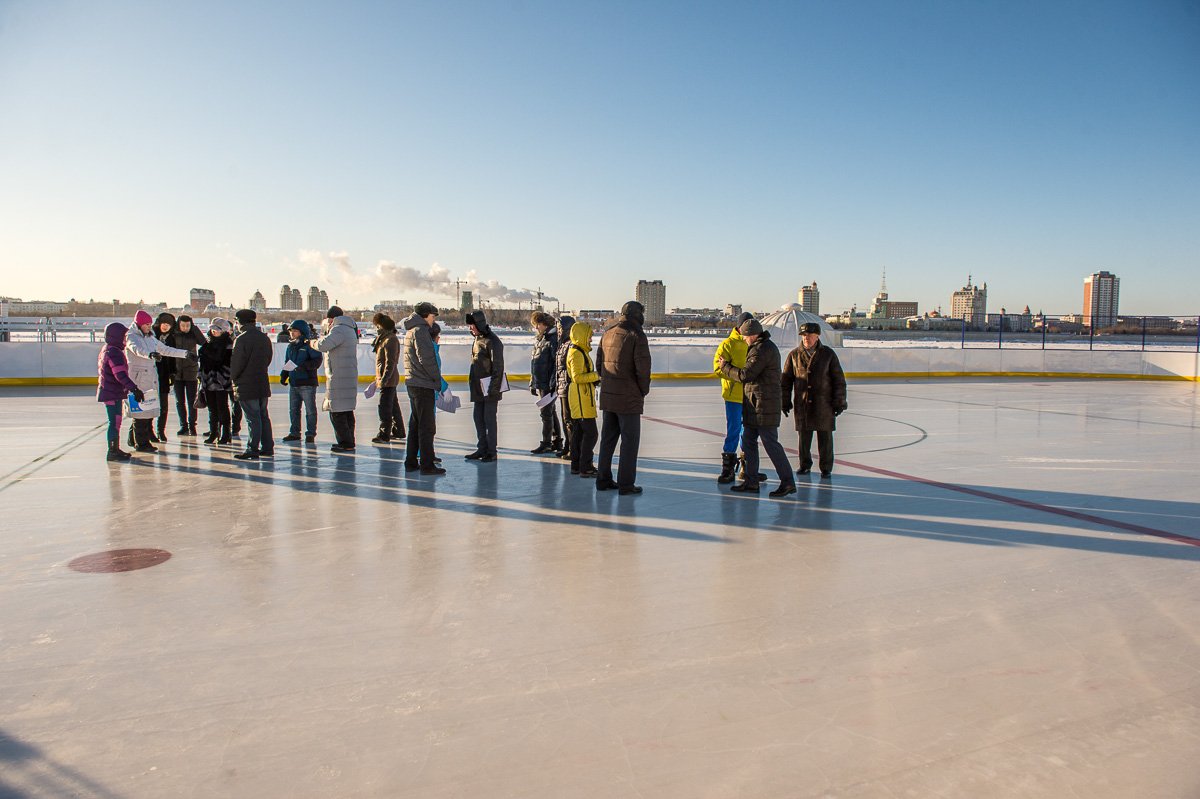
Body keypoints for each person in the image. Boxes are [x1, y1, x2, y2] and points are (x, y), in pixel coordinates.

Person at [718, 318, 796, 497]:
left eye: (745, 337)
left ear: (753, 335)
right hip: (755, 404)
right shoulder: (760, 347)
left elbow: (746, 374)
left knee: (771, 444)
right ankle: (751, 481)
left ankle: (788, 482)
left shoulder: (762, 349)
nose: (744, 340)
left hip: (764, 406)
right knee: (748, 441)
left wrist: (726, 367)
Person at [595, 300, 652, 495]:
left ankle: (603, 479)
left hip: (609, 396)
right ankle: (626, 484)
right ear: (637, 315)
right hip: (628, 398)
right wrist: (642, 390)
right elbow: (643, 369)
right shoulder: (636, 335)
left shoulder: (608, 333)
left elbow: (599, 365)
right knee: (629, 442)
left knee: (607, 440)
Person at [782, 321, 848, 478]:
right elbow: (785, 382)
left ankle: (826, 467)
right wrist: (784, 401)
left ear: (817, 337)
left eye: (809, 335)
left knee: (825, 438)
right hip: (803, 404)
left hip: (824, 405)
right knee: (804, 438)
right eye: (804, 335)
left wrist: (839, 402)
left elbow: (839, 380)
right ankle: (804, 465)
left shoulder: (828, 355)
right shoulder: (794, 355)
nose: (806, 338)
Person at [126, 310, 192, 452]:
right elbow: (136, 349)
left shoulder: (150, 337)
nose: (149, 327)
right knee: (140, 413)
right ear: (139, 324)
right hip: (137, 378)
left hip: (150, 378)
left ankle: (134, 439)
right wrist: (150, 354)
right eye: (146, 324)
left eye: (150, 324)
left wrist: (185, 354)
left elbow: (165, 349)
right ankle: (141, 443)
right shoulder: (132, 336)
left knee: (147, 410)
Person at [402, 302, 445, 475]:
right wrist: (437, 380)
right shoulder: (420, 331)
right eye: (433, 317)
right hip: (423, 384)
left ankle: (411, 461)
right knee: (427, 427)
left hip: (414, 383)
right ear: (426, 315)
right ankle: (427, 464)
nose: (433, 321)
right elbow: (426, 359)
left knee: (416, 424)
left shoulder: (411, 330)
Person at [229, 308, 275, 460]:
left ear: (239, 322)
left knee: (252, 418)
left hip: (246, 384)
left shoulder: (241, 339)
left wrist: (233, 379)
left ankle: (252, 448)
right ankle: (267, 447)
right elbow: (268, 358)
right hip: (261, 382)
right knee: (263, 416)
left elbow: (237, 364)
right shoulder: (264, 338)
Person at [713, 312, 753, 483]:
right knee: (733, 431)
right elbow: (718, 368)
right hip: (733, 397)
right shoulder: (728, 344)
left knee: (748, 433)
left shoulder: (754, 343)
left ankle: (746, 466)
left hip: (750, 396)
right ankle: (728, 468)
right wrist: (738, 376)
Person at [314, 306, 359, 453]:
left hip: (339, 377)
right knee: (346, 411)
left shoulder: (338, 329)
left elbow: (323, 345)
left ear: (331, 319)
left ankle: (345, 442)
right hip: (347, 375)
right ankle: (349, 441)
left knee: (337, 411)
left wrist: (311, 342)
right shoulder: (350, 329)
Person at [96, 321, 142, 462]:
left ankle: (115, 449)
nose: (125, 339)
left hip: (111, 391)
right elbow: (120, 375)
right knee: (114, 421)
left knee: (116, 421)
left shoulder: (108, 349)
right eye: (123, 336)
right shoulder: (114, 352)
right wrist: (134, 388)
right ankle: (112, 450)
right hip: (111, 393)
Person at [465, 309, 505, 462]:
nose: (470, 329)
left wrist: (493, 389)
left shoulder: (493, 341)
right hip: (477, 387)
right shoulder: (477, 339)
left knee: (489, 420)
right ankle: (482, 448)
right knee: (478, 418)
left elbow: (498, 367)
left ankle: (491, 451)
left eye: (472, 326)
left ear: (479, 324)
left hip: (489, 389)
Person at [564, 320, 599, 477]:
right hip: (581, 398)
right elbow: (577, 377)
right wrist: (597, 375)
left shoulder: (580, 351)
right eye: (589, 336)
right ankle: (585, 466)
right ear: (581, 336)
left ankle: (576, 465)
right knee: (591, 434)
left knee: (579, 433)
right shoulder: (576, 353)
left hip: (582, 396)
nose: (591, 339)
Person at [280, 319, 321, 444]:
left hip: (307, 383)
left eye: (295, 331)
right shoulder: (290, 346)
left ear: (302, 332)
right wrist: (284, 375)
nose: (292, 333)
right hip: (294, 383)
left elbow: (317, 361)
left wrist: (303, 366)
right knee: (293, 410)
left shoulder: (309, 345)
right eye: (291, 331)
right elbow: (288, 363)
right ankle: (294, 433)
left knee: (310, 411)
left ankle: (310, 433)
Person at [528, 311, 562, 454]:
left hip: (548, 383)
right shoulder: (541, 339)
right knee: (550, 412)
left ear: (544, 324)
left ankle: (547, 442)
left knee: (546, 413)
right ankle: (557, 441)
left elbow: (556, 363)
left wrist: (553, 383)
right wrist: (533, 381)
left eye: (537, 325)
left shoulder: (552, 339)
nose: (536, 328)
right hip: (541, 382)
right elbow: (535, 362)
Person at [168, 314, 206, 436]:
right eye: (183, 325)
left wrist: (194, 329)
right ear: (179, 325)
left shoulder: (193, 333)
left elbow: (203, 342)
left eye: (188, 325)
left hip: (191, 371)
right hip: (177, 372)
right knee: (180, 401)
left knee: (192, 401)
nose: (185, 328)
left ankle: (192, 426)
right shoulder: (174, 334)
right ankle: (183, 425)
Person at [198, 317, 234, 445]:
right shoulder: (207, 344)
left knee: (222, 407)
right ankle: (214, 432)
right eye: (212, 329)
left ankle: (226, 433)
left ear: (223, 331)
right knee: (212, 408)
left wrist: (223, 376)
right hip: (208, 381)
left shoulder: (228, 345)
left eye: (217, 330)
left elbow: (229, 365)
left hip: (221, 383)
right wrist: (201, 376)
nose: (214, 332)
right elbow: (201, 364)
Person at [370, 312, 405, 444]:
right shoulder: (384, 339)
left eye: (377, 326)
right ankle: (398, 430)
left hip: (388, 380)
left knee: (384, 407)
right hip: (386, 379)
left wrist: (384, 379)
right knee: (393, 406)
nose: (376, 328)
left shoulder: (390, 340)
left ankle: (384, 433)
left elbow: (391, 362)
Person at [553, 314, 576, 463]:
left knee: (570, 421)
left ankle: (573, 449)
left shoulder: (570, 345)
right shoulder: (561, 344)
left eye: (560, 328)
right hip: (562, 388)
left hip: (568, 388)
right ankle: (568, 446)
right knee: (565, 419)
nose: (558, 331)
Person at [152, 311, 177, 441]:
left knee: (163, 406)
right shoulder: (151, 336)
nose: (166, 327)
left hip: (164, 376)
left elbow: (172, 357)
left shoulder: (171, 338)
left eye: (169, 325)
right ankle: (147, 432)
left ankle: (160, 430)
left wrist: (173, 372)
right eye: (164, 324)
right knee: (148, 405)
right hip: (151, 375)